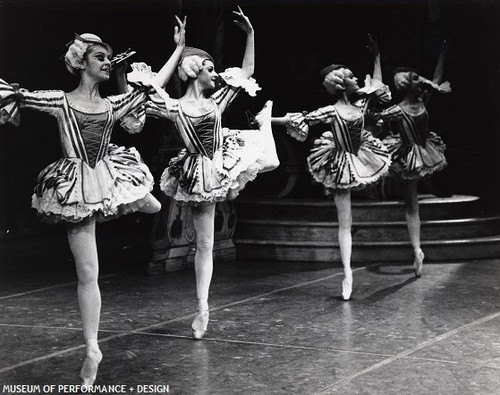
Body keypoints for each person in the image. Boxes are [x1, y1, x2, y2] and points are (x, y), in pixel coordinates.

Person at [0, 18, 186, 386]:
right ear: (81, 62)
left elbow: (153, 86)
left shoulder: (113, 104)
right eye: (100, 57)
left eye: (109, 58)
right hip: (75, 188)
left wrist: (179, 48)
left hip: (109, 174)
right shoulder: (60, 101)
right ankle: (92, 346)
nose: (107, 62)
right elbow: (15, 96)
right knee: (88, 272)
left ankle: (132, 198)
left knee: (154, 206)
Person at [122, 6, 279, 340]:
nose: (215, 72)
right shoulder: (176, 107)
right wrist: (178, 49)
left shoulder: (217, 101)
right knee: (202, 244)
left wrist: (250, 34)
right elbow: (145, 91)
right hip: (195, 172)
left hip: (218, 164)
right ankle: (202, 306)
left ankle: (203, 307)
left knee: (208, 241)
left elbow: (247, 71)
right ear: (194, 73)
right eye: (208, 68)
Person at [272, 36, 391, 301]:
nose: (357, 78)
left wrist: (377, 58)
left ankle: (347, 270)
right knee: (344, 223)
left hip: (361, 155)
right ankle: (347, 272)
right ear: (340, 84)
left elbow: (378, 85)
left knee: (347, 222)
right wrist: (267, 119)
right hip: (338, 162)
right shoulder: (331, 111)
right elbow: (300, 118)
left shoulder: (361, 104)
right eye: (351, 76)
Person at [378, 40, 450, 277]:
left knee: (414, 201)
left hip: (423, 149)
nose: (423, 83)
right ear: (408, 86)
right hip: (408, 155)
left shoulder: (422, 100)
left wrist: (442, 52)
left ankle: (417, 249)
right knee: (411, 204)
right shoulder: (397, 110)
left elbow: (436, 81)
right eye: (418, 80)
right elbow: (376, 116)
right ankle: (417, 249)